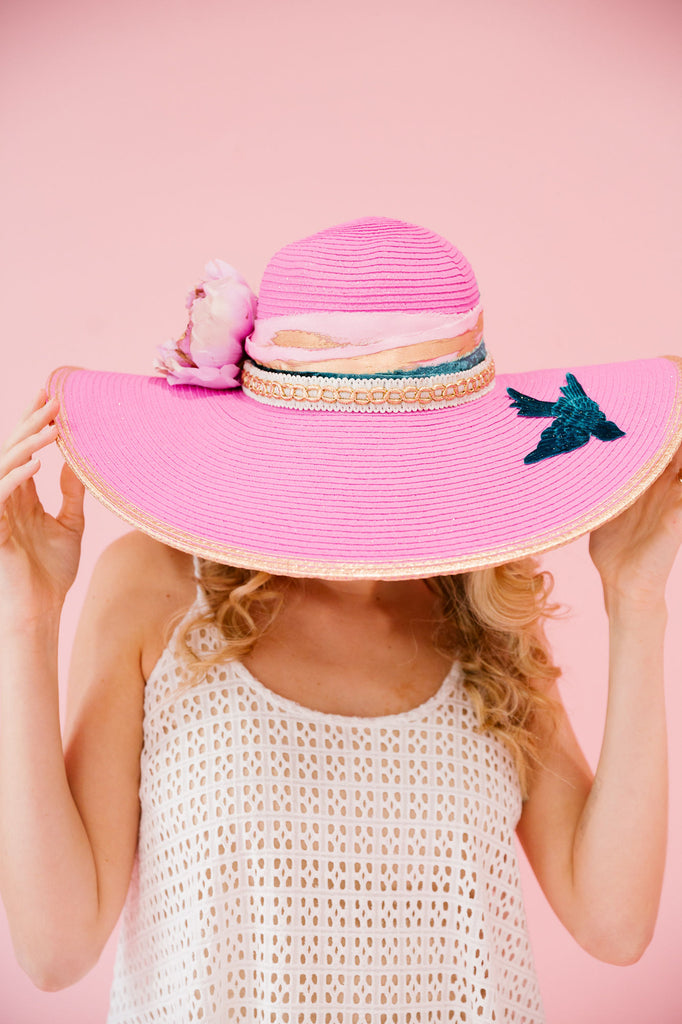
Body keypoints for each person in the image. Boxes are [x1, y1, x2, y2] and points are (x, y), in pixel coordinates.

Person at [1, 217, 681, 1023]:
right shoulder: (154, 590)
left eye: (406, 442)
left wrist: (634, 602)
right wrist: (27, 621)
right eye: (344, 440)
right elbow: (55, 949)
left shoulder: (486, 616)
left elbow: (614, 924)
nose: (368, 474)